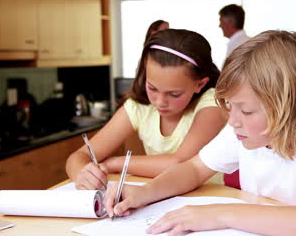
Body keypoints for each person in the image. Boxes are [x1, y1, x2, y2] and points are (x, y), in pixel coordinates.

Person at [103, 30, 296, 235]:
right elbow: (194, 169)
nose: (233, 121)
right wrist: (144, 193)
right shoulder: (245, 131)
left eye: (247, 111)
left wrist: (223, 214)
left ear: (288, 107)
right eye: (230, 106)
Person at [66, 29, 226, 190]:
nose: (160, 102)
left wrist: (113, 163)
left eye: (174, 94)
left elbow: (179, 163)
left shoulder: (213, 104)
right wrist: (83, 174)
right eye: (152, 88)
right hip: (159, 198)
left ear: (200, 84)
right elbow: (78, 157)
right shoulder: (139, 107)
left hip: (209, 200)